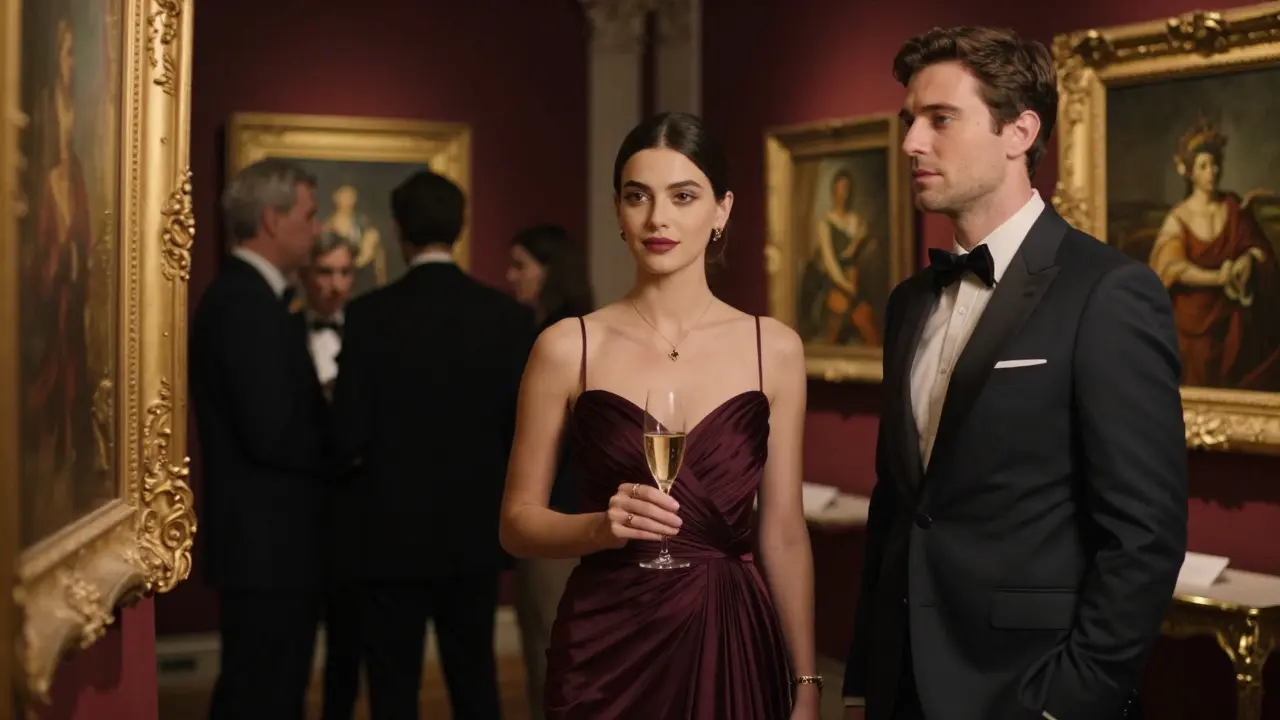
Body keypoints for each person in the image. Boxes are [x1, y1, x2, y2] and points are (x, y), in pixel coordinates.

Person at [841, 26, 1188, 720]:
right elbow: (897, 511)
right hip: (901, 687)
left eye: (940, 119)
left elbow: (1144, 538)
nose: (911, 142)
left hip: (1027, 689)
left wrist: (1070, 701)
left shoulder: (1109, 291)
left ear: (1019, 132)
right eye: (911, 120)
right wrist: (862, 683)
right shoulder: (909, 303)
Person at [499, 111, 821, 720]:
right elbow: (515, 524)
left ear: (722, 210)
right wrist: (600, 527)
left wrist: (806, 680)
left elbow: (781, 532)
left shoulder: (773, 348)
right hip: (606, 645)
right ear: (618, 213)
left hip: (730, 637)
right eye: (637, 196)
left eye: (684, 196)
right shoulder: (569, 346)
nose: (658, 219)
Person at [330, 169, 535, 720]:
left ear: (399, 231)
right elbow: (520, 430)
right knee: (475, 679)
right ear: (461, 227)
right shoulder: (507, 317)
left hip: (389, 533)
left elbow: (347, 432)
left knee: (392, 686)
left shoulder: (370, 315)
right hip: (473, 529)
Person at [189, 158, 328, 720]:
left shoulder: (250, 297)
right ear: (272, 219)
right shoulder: (246, 304)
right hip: (267, 546)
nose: (316, 230)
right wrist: (346, 447)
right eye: (308, 215)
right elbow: (272, 432)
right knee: (262, 694)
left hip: (268, 544)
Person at [504, 223, 595, 720]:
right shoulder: (563, 329)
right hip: (563, 507)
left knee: (552, 651)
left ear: (550, 270)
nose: (510, 276)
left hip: (561, 508)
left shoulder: (558, 338)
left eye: (520, 265)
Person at [296, 232, 363, 720]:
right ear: (305, 274)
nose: (337, 284)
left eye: (344, 272)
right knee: (288, 645)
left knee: (348, 639)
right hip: (294, 503)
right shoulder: (282, 332)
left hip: (353, 508)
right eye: (326, 272)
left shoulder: (367, 334)